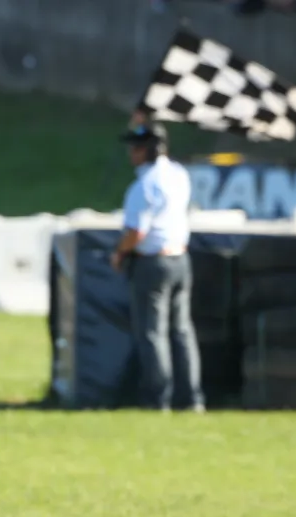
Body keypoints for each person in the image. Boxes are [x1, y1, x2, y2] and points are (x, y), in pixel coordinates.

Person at [110, 122, 204, 412]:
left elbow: (137, 232)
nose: (130, 154)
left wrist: (118, 253)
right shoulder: (178, 175)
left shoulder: (145, 184)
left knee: (152, 334)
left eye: (134, 148)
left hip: (153, 262)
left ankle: (157, 399)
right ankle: (191, 399)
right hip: (180, 258)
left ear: (144, 150)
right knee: (182, 332)